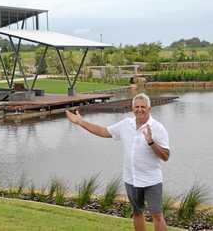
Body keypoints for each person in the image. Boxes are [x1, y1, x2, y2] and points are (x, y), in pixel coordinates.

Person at [65, 93, 170, 231]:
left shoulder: (158, 128)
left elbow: (165, 156)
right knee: (137, 213)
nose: (139, 109)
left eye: (143, 107)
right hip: (131, 179)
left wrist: (151, 142)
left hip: (151, 180)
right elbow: (103, 131)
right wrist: (80, 122)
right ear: (132, 108)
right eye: (136, 106)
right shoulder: (126, 124)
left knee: (157, 215)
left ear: (149, 109)